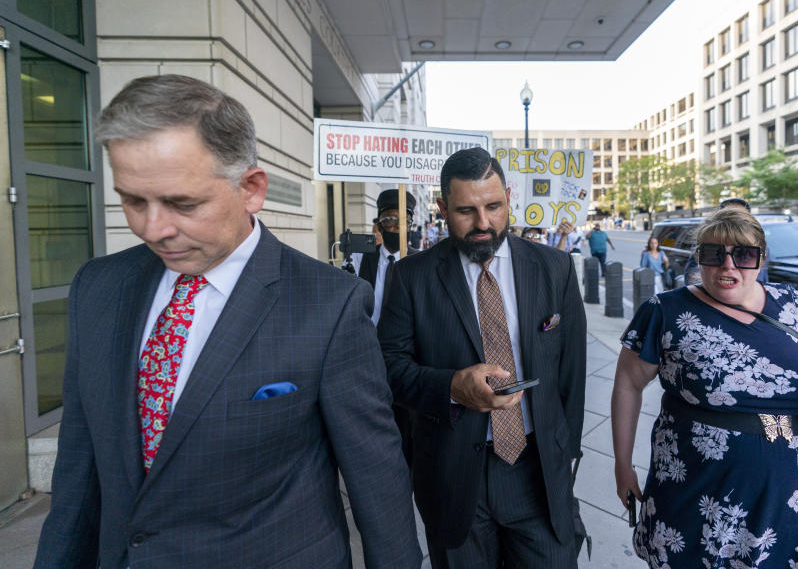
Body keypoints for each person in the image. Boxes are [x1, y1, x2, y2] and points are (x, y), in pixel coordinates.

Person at [33, 75, 421, 569]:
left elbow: (376, 477)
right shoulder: (98, 289)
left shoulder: (329, 305)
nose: (154, 229)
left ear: (251, 188)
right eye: (133, 201)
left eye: (182, 203)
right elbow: (79, 473)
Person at [610, 207, 798, 569]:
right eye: (714, 254)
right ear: (699, 258)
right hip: (701, 492)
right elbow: (628, 384)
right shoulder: (664, 311)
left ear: (760, 259)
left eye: (743, 255)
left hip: (795, 493)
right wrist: (623, 465)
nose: (728, 266)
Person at [378, 147, 587, 568]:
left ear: (509, 197)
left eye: (493, 206)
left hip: (538, 473)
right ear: (441, 208)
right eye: (466, 211)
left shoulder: (556, 268)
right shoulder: (410, 277)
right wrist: (452, 387)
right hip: (454, 479)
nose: (483, 223)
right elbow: (386, 368)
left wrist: (565, 452)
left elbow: (571, 375)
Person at [352, 188, 417, 324]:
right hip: (369, 337)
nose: (398, 226)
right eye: (391, 220)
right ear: (379, 225)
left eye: (405, 221)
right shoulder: (360, 258)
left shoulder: (420, 261)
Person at [683, 197, 768, 286]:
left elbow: (763, 275)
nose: (728, 265)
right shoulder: (705, 242)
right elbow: (691, 272)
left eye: (740, 213)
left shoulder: (757, 243)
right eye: (730, 212)